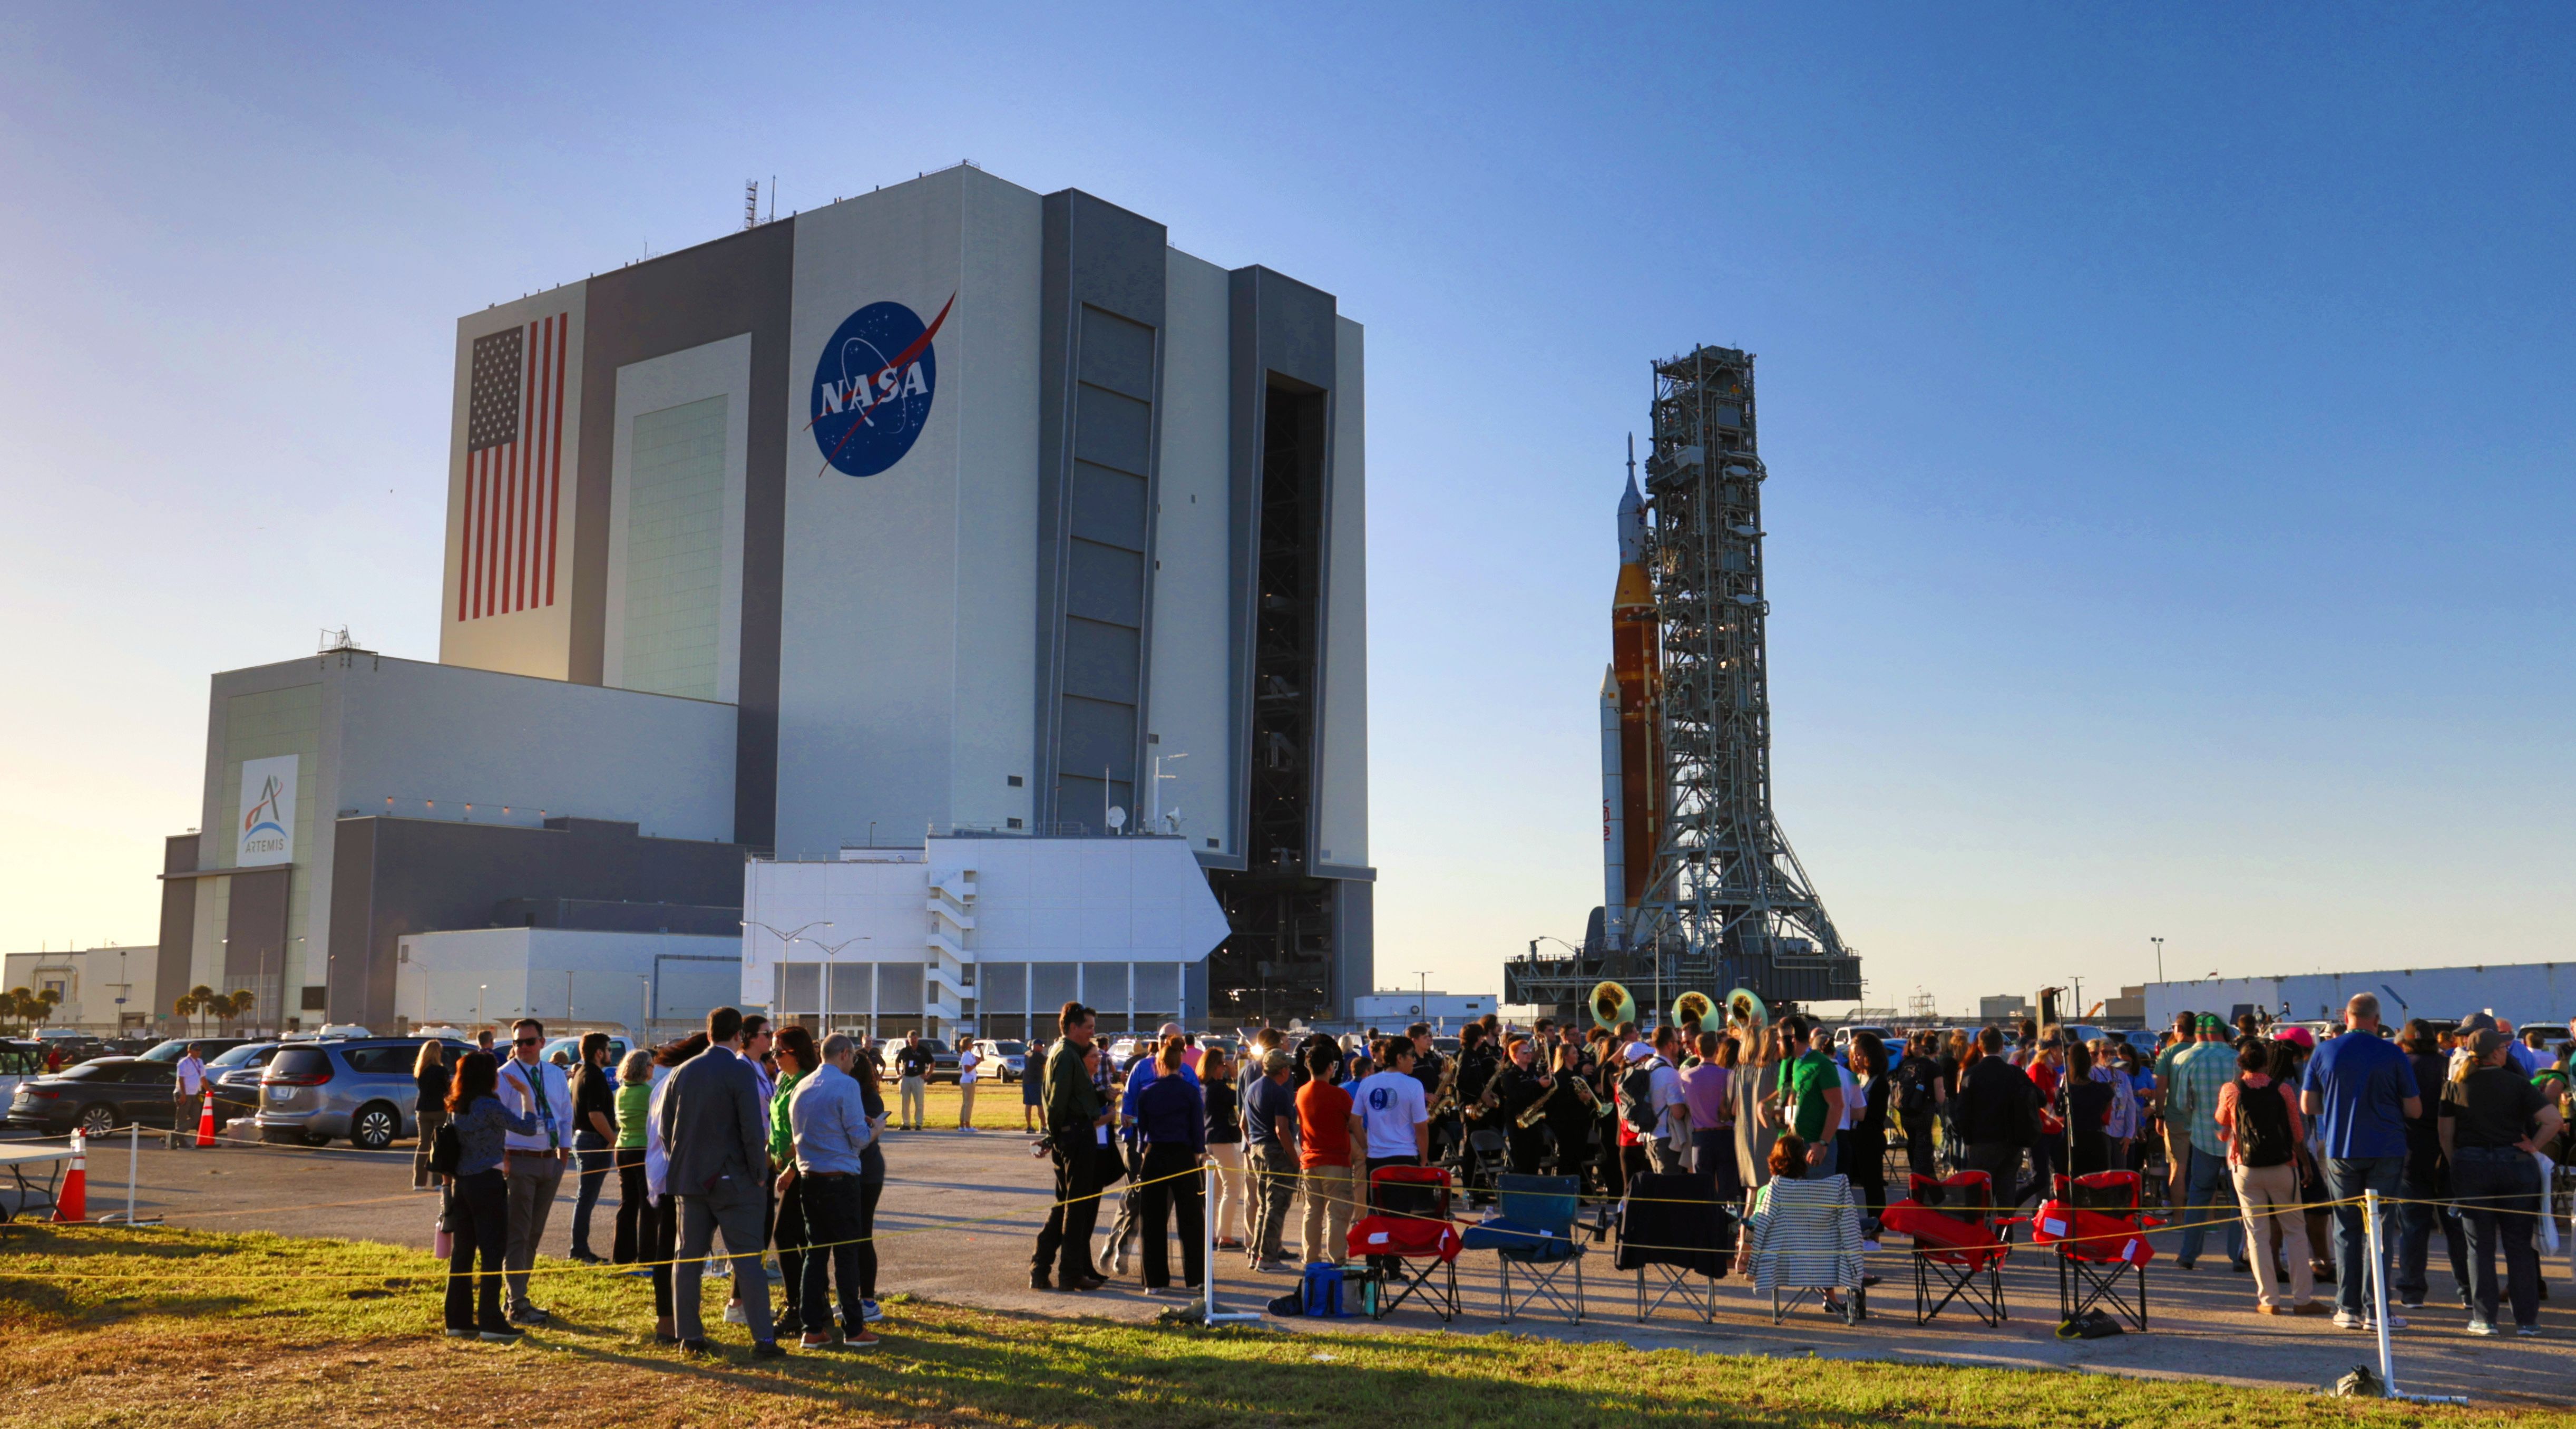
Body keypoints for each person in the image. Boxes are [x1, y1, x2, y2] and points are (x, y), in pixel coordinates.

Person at [659, 1006, 784, 1358]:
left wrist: (682, 1163)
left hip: (689, 1180)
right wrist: (759, 1173)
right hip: (734, 1181)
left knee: (687, 1260)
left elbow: (666, 1129)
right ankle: (764, 1339)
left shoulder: (681, 1071)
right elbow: (751, 1127)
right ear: (739, 1036)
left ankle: (690, 1336)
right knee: (748, 1261)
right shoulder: (739, 1069)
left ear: (709, 1031)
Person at [2302, 993, 2421, 1330]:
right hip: (2387, 1147)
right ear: (2377, 1019)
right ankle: (2378, 1311)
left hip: (2342, 1148)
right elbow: (2415, 1109)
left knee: (2346, 1228)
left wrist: (2341, 1105)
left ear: (2349, 1017)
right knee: (2380, 1231)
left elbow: (2308, 1105)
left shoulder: (2324, 1051)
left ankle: (2348, 1308)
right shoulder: (2393, 1053)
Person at [2442, 1029, 2562, 1336]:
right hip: (2515, 1165)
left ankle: (2484, 1319)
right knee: (2519, 1245)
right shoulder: (2519, 1084)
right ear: (2496, 1054)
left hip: (2471, 1166)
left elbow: (2445, 1133)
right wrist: (2533, 1145)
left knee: (2479, 1246)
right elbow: (2553, 1120)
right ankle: (2527, 1321)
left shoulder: (2454, 1086)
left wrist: (2458, 1159)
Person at [786, 1032, 882, 1349]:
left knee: (815, 1254)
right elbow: (858, 1138)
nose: (854, 1063)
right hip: (841, 1179)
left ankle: (812, 1328)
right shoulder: (847, 1085)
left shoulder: (801, 1086)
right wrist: (875, 1128)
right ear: (844, 1054)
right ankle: (854, 1328)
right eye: (853, 1058)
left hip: (810, 1177)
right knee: (847, 1254)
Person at [2214, 1039, 2321, 1315]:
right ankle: (2302, 1299)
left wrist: (2226, 1134)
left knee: (2257, 1233)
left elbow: (2222, 1122)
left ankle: (2269, 1300)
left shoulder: (2230, 1090)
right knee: (2295, 1232)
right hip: (2282, 1166)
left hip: (2245, 1167)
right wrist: (2305, 1163)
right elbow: (2297, 1134)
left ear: (2240, 1063)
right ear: (2265, 1062)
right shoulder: (2283, 1090)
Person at [440, 1050, 542, 1342]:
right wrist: (526, 1095)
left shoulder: (457, 1105)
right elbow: (527, 1127)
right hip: (487, 1181)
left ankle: (457, 1320)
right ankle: (490, 1322)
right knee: (493, 1252)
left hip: (463, 1182)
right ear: (488, 1077)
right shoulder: (489, 1105)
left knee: (463, 1253)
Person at [493, 1018, 569, 1326]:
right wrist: (504, 1159)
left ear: (542, 1042)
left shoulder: (554, 1073)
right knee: (519, 1233)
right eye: (517, 1042)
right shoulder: (505, 1075)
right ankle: (517, 1303)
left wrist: (563, 1152)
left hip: (549, 1159)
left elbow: (565, 1113)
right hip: (518, 1160)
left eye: (529, 1041)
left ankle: (516, 1296)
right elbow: (497, 1121)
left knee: (534, 1232)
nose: (522, 1047)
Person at [1031, 1002, 1110, 1292]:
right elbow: (1056, 1102)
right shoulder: (1066, 1055)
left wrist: (1101, 1094)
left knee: (1064, 1207)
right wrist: (1054, 1137)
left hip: (1073, 1134)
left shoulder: (1066, 1053)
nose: (1092, 1033)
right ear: (1073, 1027)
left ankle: (1041, 1268)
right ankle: (1070, 1275)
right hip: (1075, 1136)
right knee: (1075, 1210)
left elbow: (1075, 1097)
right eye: (1088, 1027)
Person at [2391, 1019, 2469, 1309]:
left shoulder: (2400, 1067)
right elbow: (2461, 1112)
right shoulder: (2449, 1067)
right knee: (2457, 1227)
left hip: (2411, 1156)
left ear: (2406, 1041)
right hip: (2448, 1155)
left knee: (2413, 1228)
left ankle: (2412, 1293)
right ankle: (2469, 1291)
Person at [2165, 1015, 2248, 1271]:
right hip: (2236, 1140)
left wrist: (2196, 1121)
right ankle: (2238, 1256)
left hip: (2202, 1137)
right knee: (2238, 1200)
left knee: (2199, 1197)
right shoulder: (2237, 1059)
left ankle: (2188, 1255)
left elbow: (2181, 1103)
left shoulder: (2184, 1059)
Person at [640, 1033, 706, 1343]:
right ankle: (669, 1324)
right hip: (675, 1176)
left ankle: (671, 1322)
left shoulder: (667, 1082)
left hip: (667, 1174)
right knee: (673, 1250)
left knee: (673, 1249)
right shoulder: (681, 1083)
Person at [1131, 1036, 1208, 1294]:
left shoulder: (1147, 1092)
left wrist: (1144, 1152)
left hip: (1155, 1154)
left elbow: (1142, 1128)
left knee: (1152, 1220)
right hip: (1184, 1154)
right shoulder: (1190, 1091)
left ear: (1158, 1065)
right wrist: (1198, 1153)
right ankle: (1197, 1278)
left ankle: (1154, 1281)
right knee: (1192, 1219)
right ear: (1181, 1063)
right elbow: (1198, 1127)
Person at [765, 1026, 817, 1336]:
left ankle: (799, 1305)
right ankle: (813, 1303)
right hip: (782, 1167)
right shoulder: (783, 1081)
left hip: (802, 1170)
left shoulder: (806, 1084)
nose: (774, 1057)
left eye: (779, 1052)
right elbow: (776, 1125)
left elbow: (808, 1133)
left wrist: (790, 1168)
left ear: (797, 1054)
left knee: (785, 1235)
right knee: (797, 1237)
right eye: (773, 1051)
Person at [1952, 1027, 2035, 1210]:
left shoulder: (1971, 1074)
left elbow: (1962, 1111)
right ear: (2002, 1046)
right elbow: (2038, 1098)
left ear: (1980, 1047)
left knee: (1979, 1197)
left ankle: (1982, 1235)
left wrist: (1968, 1140)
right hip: (2011, 1142)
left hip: (1982, 1142)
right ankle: (2005, 1235)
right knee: (2006, 1196)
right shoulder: (2015, 1073)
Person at [1240, 1047, 1302, 1271]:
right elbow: (1281, 1129)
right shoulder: (1279, 1093)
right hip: (1276, 1152)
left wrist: (1255, 1143)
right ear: (1283, 1071)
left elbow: (1242, 1125)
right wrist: (1295, 1159)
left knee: (1264, 1205)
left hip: (1256, 1148)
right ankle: (1268, 1258)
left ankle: (1257, 1253)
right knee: (1277, 1205)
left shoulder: (1252, 1089)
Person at [1297, 1044, 1358, 1263]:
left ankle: (1311, 1257)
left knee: (1312, 1211)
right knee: (1338, 1212)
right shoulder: (1339, 1094)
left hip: (1310, 1159)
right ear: (1331, 1067)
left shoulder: (1301, 1093)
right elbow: (1354, 1123)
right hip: (1336, 1160)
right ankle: (1337, 1258)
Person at [1769, 1018, 1843, 1180]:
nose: (1778, 1044)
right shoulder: (1795, 1063)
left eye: (1781, 1039)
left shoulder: (1822, 1064)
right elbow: (1793, 1098)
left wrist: (1823, 1144)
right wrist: (1788, 1129)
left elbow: (1837, 1105)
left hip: (1816, 1146)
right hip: (1797, 1146)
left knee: (1817, 1201)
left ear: (1793, 1039)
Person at [1351, 1036, 1431, 1184]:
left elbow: (1355, 1121)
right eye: (1412, 1055)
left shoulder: (1367, 1083)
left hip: (1376, 1158)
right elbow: (1421, 1127)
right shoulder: (1414, 1085)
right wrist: (1424, 1157)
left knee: (1378, 1205)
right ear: (1400, 1058)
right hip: (1405, 1156)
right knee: (1402, 1207)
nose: (1414, 1060)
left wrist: (1366, 1148)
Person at [566, 1032, 618, 1265]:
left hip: (584, 1138)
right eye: (608, 1049)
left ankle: (580, 1247)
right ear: (599, 1053)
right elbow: (595, 1114)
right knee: (586, 1198)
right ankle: (579, 1249)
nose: (610, 1054)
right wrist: (613, 1139)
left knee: (585, 1197)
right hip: (593, 1141)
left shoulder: (580, 1072)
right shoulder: (594, 1075)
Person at [1201, 1045, 1246, 1250]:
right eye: (1222, 1064)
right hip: (1221, 1141)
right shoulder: (1218, 1088)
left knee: (1215, 1190)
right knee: (1233, 1187)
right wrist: (1235, 1076)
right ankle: (1225, 1236)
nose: (1225, 1067)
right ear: (1214, 1066)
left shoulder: (1205, 1086)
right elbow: (1239, 1099)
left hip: (1208, 1139)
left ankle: (1212, 1234)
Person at [2151, 1010, 2198, 1208]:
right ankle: (2208, 1218)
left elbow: (2160, 1089)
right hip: (2202, 1118)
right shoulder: (2201, 1051)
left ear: (2179, 1028)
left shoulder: (2168, 1053)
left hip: (2176, 1117)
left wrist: (2159, 1115)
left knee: (2177, 1168)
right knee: (2204, 1170)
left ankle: (2179, 1218)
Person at [1846, 1032, 1892, 1228]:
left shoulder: (1880, 1082)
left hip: (1870, 1140)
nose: (1856, 1058)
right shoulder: (1855, 1078)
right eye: (1853, 1054)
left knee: (1873, 1186)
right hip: (1852, 1138)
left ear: (1870, 1054)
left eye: (1859, 1054)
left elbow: (1871, 1113)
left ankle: (1876, 1228)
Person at [612, 1048, 653, 1265]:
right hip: (642, 1148)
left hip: (623, 1148)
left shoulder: (621, 1092)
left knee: (628, 1203)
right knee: (648, 1204)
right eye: (650, 1065)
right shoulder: (648, 1092)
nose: (653, 1069)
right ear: (644, 1068)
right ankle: (648, 1256)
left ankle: (622, 1255)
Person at [1892, 1032, 1944, 1181]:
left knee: (1914, 1145)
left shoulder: (1906, 1064)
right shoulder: (1934, 1067)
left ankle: (1932, 1190)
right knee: (1923, 1149)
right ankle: (1918, 1186)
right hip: (1923, 1112)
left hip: (1905, 1112)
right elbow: (1940, 1097)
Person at [409, 1041, 448, 1187]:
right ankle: (438, 1182)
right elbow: (447, 1089)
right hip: (439, 1109)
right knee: (438, 1145)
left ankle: (418, 1182)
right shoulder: (441, 1071)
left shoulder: (420, 1070)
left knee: (423, 1145)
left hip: (422, 1109)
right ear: (437, 1053)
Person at [171, 1042, 207, 1152]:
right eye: (196, 1050)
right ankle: (180, 1142)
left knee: (196, 1117)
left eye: (200, 1050)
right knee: (181, 1119)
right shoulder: (184, 1063)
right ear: (189, 1051)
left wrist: (209, 1089)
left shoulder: (200, 1062)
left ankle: (173, 1136)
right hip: (184, 1093)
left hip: (195, 1094)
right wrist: (183, 1094)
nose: (199, 1052)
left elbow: (203, 1078)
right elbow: (181, 1079)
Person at [893, 1031, 932, 1131]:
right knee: (905, 1102)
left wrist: (928, 1074)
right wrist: (898, 1073)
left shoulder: (923, 1050)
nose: (913, 1040)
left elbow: (932, 1062)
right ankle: (906, 1124)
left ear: (917, 1039)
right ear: (908, 1039)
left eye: (915, 1038)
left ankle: (919, 1124)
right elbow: (897, 1061)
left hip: (918, 1078)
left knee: (919, 1102)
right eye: (911, 1038)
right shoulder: (905, 1050)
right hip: (906, 1078)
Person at [955, 1039, 981, 1130]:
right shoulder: (966, 1055)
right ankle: (968, 1125)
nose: (972, 1043)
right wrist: (975, 1065)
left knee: (965, 1103)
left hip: (967, 1081)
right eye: (970, 1042)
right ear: (967, 1045)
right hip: (968, 1081)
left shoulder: (969, 1054)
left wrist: (980, 1049)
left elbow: (981, 1059)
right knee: (969, 1104)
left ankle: (962, 1125)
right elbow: (967, 1069)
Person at [1022, 1036, 1045, 1132]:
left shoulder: (1027, 1054)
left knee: (1028, 1105)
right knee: (1040, 1105)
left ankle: (1029, 1127)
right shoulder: (1038, 1055)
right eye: (1041, 1046)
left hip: (1026, 1082)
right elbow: (1047, 1063)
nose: (1042, 1048)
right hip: (1036, 1082)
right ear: (1035, 1046)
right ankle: (1044, 1127)